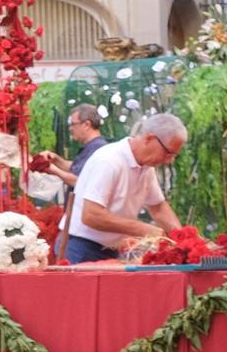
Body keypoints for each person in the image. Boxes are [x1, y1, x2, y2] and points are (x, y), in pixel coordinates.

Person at [65, 113, 185, 264]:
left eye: (174, 155)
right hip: (81, 248)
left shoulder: (147, 167)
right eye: (168, 153)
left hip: (110, 250)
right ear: (149, 138)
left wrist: (183, 239)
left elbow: (158, 207)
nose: (169, 160)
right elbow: (91, 215)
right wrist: (143, 229)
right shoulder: (109, 161)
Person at [39, 103, 106, 188]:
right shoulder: (92, 146)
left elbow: (77, 181)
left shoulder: (97, 148)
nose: (70, 128)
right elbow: (75, 168)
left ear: (86, 125)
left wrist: (51, 169)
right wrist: (56, 159)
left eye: (73, 124)